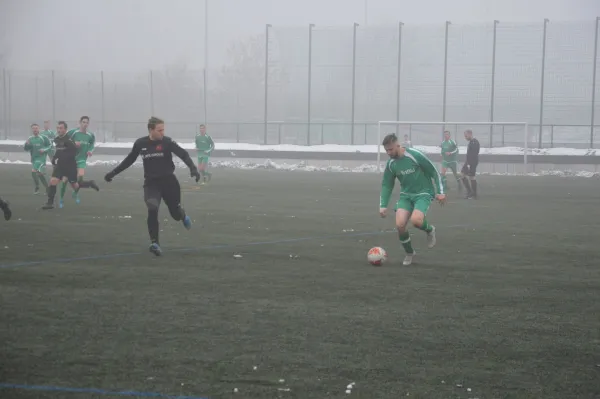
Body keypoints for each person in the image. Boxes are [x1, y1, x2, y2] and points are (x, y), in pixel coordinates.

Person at [104, 116, 201, 256]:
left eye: (163, 130)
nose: (162, 133)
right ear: (151, 130)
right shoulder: (140, 143)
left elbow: (183, 154)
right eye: (159, 130)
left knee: (175, 214)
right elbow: (129, 160)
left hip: (169, 183)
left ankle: (182, 215)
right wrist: (113, 173)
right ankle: (155, 243)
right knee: (152, 208)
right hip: (151, 184)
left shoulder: (167, 142)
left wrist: (193, 168)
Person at [379, 134, 446, 266]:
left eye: (391, 149)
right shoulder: (391, 164)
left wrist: (441, 192)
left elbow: (433, 171)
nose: (388, 153)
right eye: (386, 150)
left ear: (398, 145)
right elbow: (387, 184)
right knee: (400, 225)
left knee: (416, 221)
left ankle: (430, 230)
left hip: (423, 193)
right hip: (406, 195)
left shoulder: (414, 155)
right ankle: (409, 253)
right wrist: (383, 205)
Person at [42, 121, 99, 210]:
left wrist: (64, 155)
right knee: (53, 181)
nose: (59, 130)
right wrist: (54, 158)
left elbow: (74, 152)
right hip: (60, 166)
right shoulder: (57, 139)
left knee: (76, 185)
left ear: (65, 130)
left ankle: (90, 183)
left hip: (70, 167)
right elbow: (58, 150)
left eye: (61, 128)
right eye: (58, 128)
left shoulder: (69, 140)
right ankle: (50, 203)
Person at [60, 116, 96, 205]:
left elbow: (92, 144)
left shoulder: (90, 135)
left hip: (82, 159)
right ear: (80, 123)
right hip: (70, 159)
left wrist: (90, 151)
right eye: (83, 122)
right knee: (64, 180)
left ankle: (75, 193)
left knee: (80, 176)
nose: (85, 124)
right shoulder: (73, 132)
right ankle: (61, 198)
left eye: (87, 122)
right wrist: (73, 143)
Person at [24, 123, 53, 195]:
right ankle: (47, 188)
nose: (35, 130)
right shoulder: (30, 139)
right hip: (34, 158)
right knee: (40, 174)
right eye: (33, 128)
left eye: (36, 128)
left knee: (34, 171)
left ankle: (37, 187)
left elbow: (50, 145)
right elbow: (26, 149)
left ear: (39, 129)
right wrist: (26, 145)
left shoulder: (43, 137)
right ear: (31, 130)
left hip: (41, 158)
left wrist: (44, 149)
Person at [461, 129, 480, 199]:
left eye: (466, 136)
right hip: (469, 162)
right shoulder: (471, 142)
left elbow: (474, 155)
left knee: (471, 176)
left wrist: (469, 164)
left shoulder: (475, 142)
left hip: (472, 162)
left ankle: (473, 194)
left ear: (470, 134)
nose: (465, 137)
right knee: (463, 175)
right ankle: (470, 192)